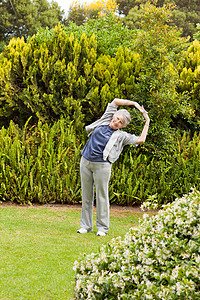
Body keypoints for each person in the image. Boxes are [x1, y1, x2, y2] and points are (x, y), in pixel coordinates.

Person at [77, 98, 150, 236]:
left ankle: (102, 228)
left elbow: (141, 140)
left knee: (101, 196)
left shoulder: (122, 136)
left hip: (102, 166)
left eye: (120, 122)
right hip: (85, 161)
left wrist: (147, 122)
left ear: (122, 126)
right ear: (113, 116)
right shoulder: (106, 119)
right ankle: (85, 226)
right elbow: (115, 101)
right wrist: (134, 104)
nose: (116, 122)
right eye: (116, 118)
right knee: (86, 196)